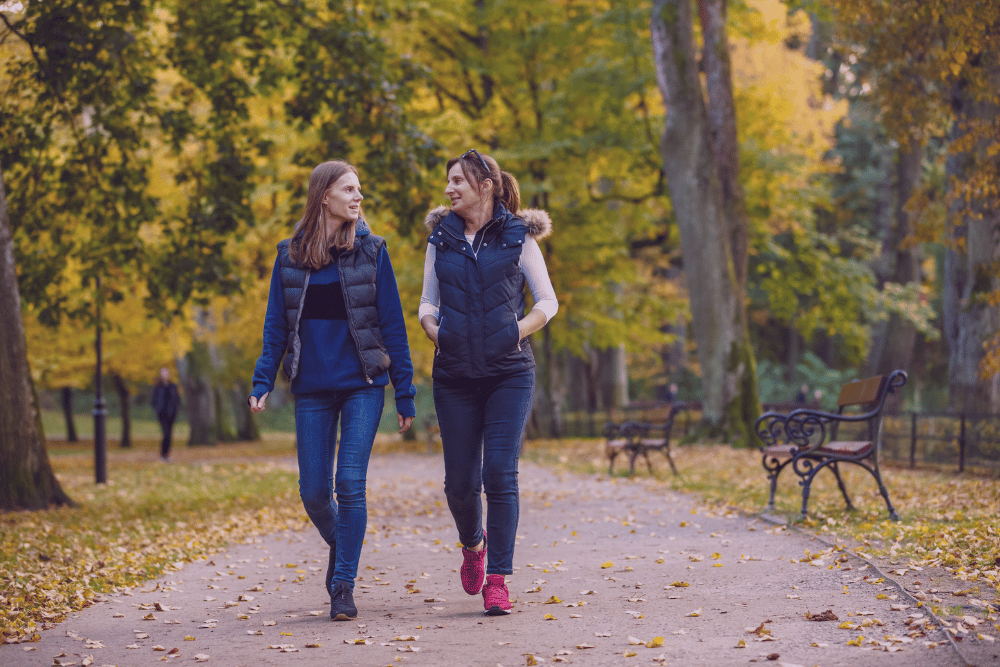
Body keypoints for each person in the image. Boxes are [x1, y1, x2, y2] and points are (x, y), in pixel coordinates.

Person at [248, 160, 416, 622]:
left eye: (360, 189)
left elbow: (392, 326)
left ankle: (342, 584)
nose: (359, 197)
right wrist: (263, 379)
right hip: (312, 388)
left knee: (349, 484)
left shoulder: (372, 251)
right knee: (314, 492)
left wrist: (404, 390)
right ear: (325, 196)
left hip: (363, 385)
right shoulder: (289, 257)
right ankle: (345, 545)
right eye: (350, 189)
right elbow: (276, 327)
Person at [419, 149, 558, 616]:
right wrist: (437, 333)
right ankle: (472, 544)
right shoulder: (441, 238)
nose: (449, 188)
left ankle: (498, 578)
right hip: (455, 375)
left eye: (457, 180)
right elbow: (426, 304)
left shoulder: (518, 236)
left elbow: (548, 301)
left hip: (508, 373)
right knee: (459, 484)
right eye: (448, 181)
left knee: (499, 472)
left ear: (485, 185)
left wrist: (516, 330)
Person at [151, 367, 181, 461]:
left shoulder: (173, 386)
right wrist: (158, 409)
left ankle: (166, 454)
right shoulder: (158, 387)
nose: (165, 375)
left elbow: (177, 400)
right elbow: (154, 401)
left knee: (169, 434)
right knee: (166, 434)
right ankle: (163, 454)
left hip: (171, 414)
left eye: (166, 373)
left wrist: (175, 410)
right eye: (163, 373)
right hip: (162, 414)